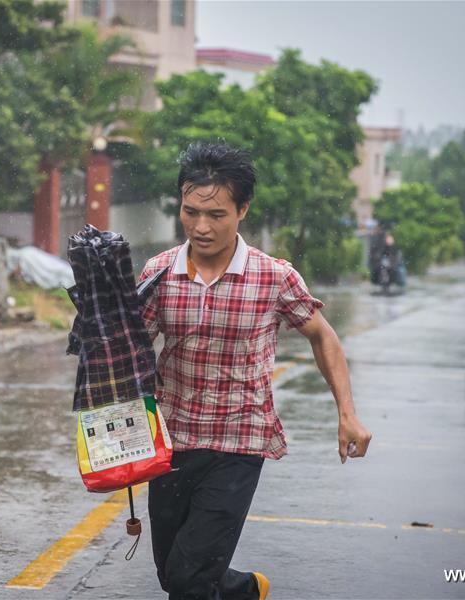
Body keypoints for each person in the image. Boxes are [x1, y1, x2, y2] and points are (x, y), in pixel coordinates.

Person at [139, 142, 373, 600]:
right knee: (174, 573)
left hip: (238, 442)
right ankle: (243, 590)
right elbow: (131, 352)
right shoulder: (159, 272)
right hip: (171, 440)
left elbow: (323, 336)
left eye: (217, 215)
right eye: (190, 212)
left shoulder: (273, 276)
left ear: (243, 209)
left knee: (189, 578)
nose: (201, 227)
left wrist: (347, 411)